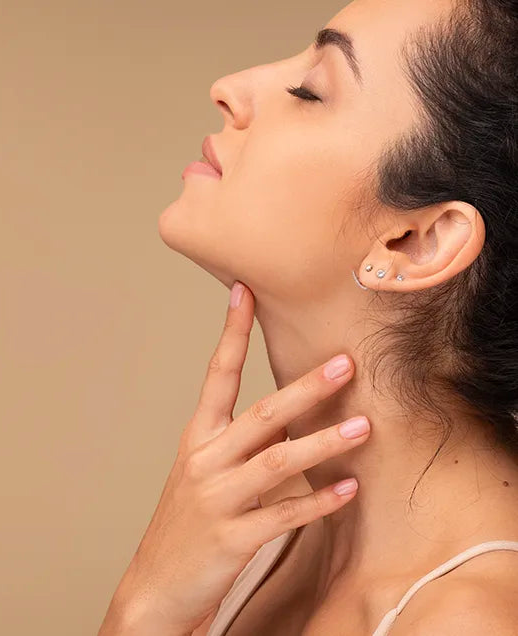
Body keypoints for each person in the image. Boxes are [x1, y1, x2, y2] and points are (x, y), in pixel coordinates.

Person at [99, 0, 518, 633]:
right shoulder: (249, 527)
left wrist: (143, 606)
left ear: (415, 241)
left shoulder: (469, 620)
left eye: (310, 91)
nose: (228, 88)